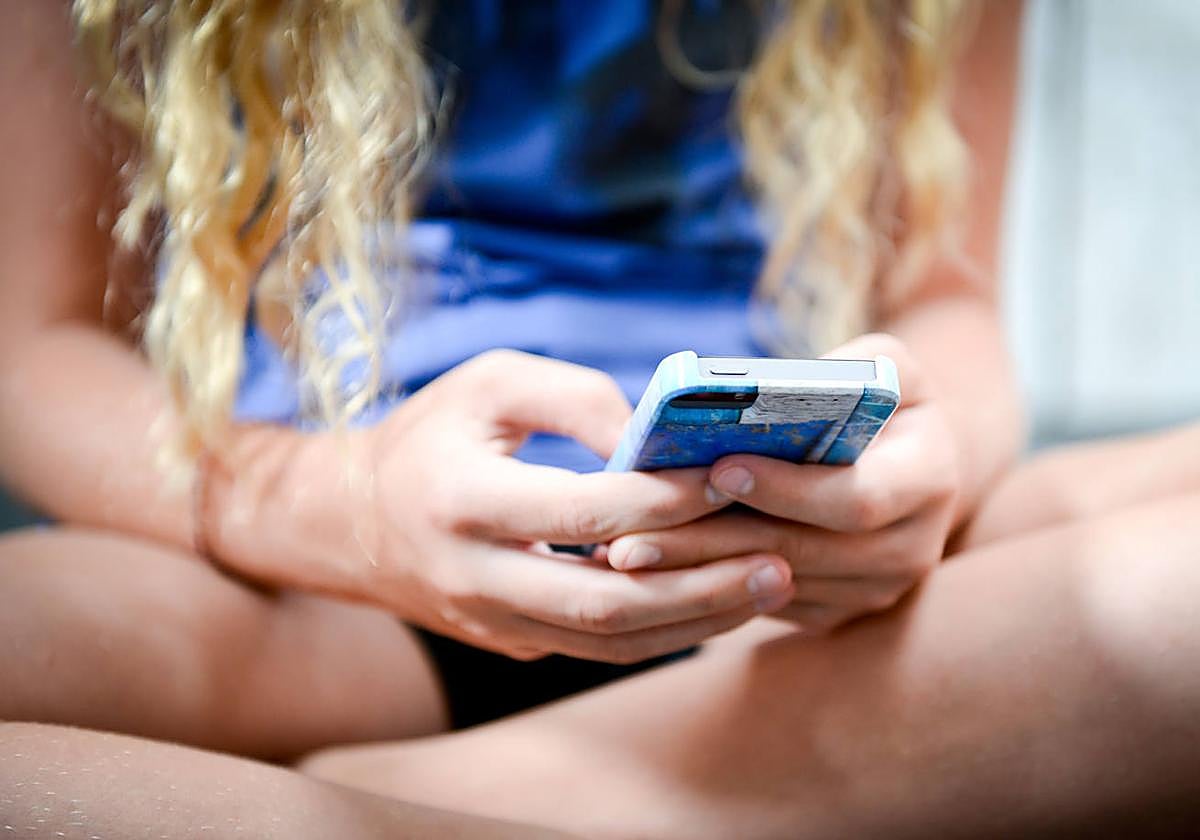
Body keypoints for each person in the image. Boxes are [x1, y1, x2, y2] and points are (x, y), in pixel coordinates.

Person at [1, 1, 1197, 837]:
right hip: (317, 588)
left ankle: (430, 806)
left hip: (786, 589)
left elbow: (947, 300)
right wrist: (346, 510)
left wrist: (923, 451)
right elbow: (30, 352)